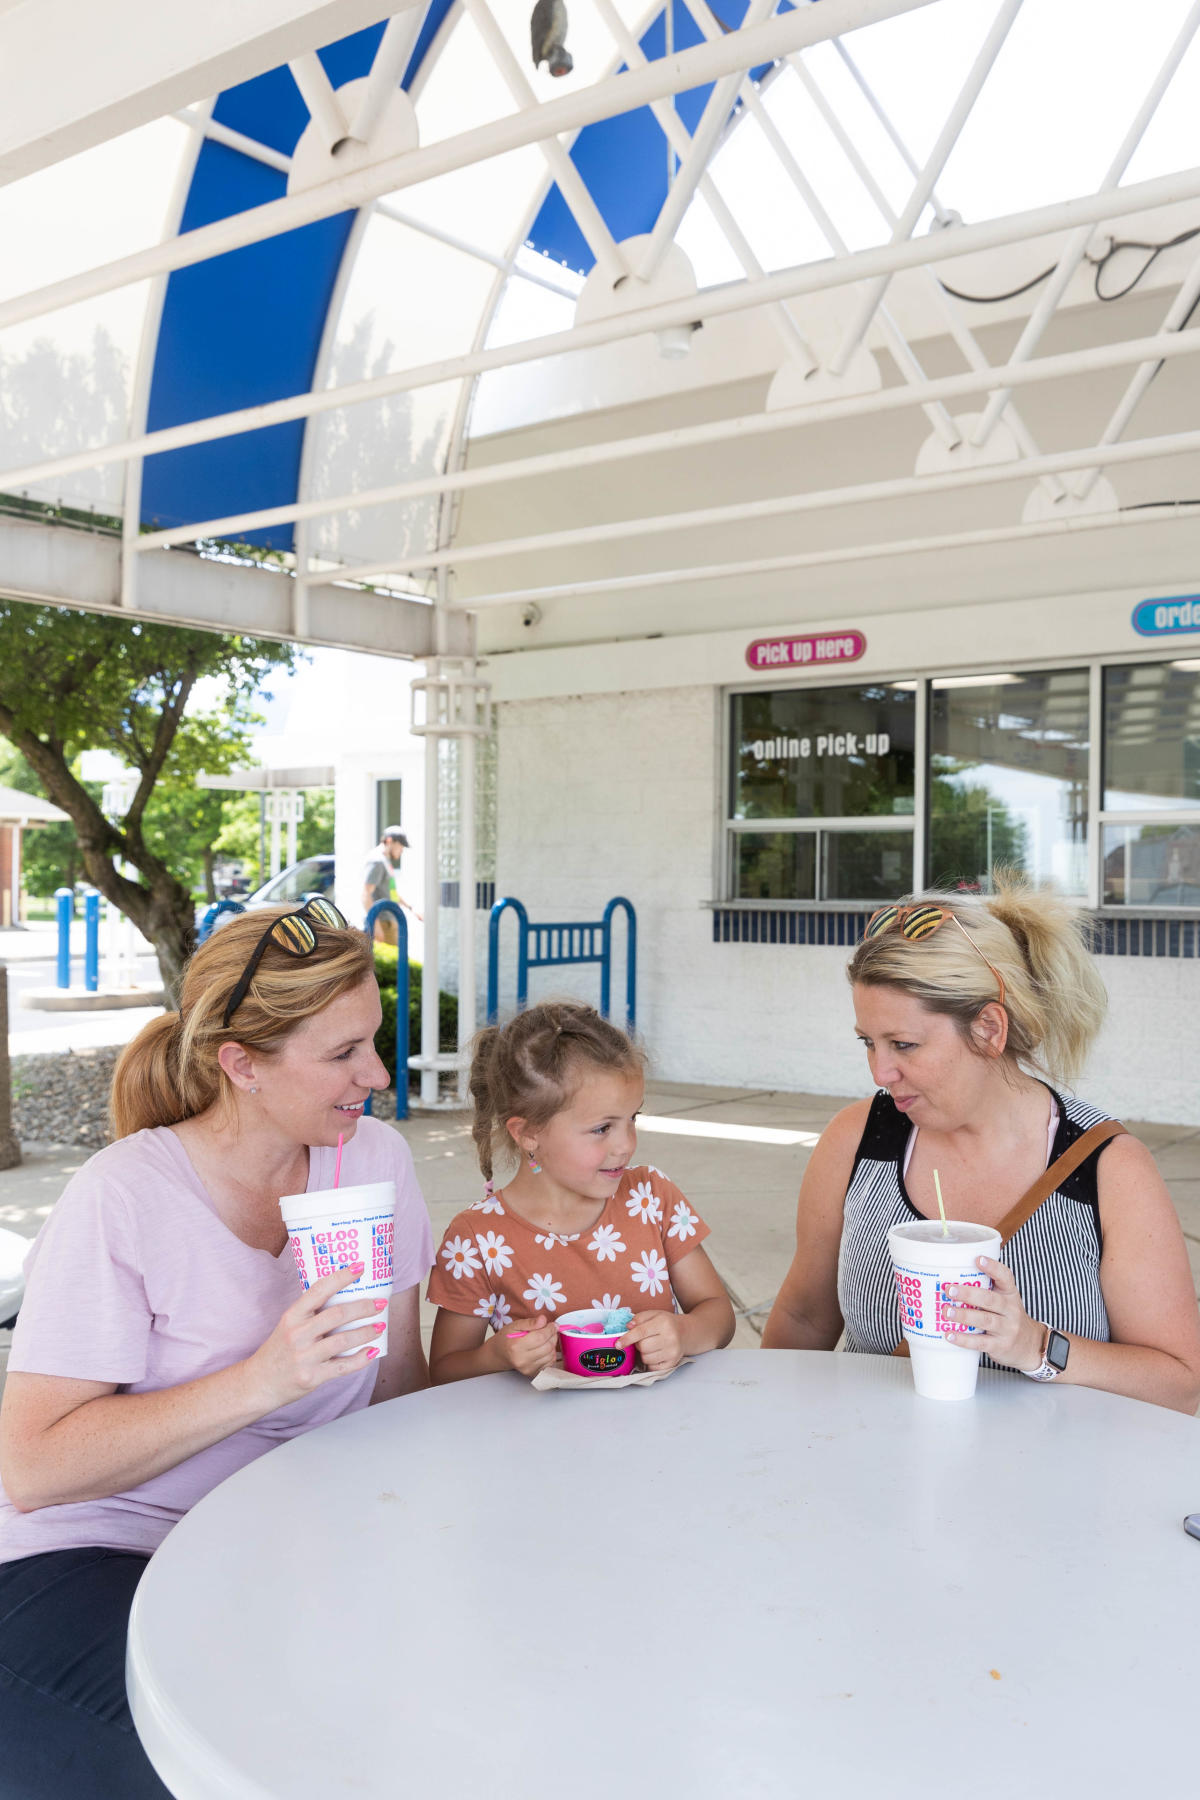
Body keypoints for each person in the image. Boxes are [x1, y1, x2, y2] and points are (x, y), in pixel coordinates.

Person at [0, 898, 433, 1799]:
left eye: (374, 1040)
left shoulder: (373, 1162)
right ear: (242, 1064)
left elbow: (397, 1381)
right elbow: (34, 1469)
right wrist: (261, 1381)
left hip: (282, 1539)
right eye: (344, 1053)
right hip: (98, 1551)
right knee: (247, 1763)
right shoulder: (124, 1196)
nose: (376, 1073)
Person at [763, 878, 1200, 1414]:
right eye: (868, 1043)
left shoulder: (1107, 1165)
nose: (880, 1072)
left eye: (904, 1044)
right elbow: (805, 1318)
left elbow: (1181, 1384)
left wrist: (1035, 1346)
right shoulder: (858, 1140)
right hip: (872, 1458)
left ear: (990, 1029)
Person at [428, 1002, 734, 1382]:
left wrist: (684, 1332)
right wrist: (496, 1355)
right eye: (602, 1128)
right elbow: (444, 1372)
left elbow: (718, 1314)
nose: (627, 1144)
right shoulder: (476, 1239)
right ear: (528, 1133)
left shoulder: (651, 1198)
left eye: (632, 1118)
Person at [362, 826, 419, 944]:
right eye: (400, 845)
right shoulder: (377, 861)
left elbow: (392, 892)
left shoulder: (385, 861)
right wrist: (375, 925)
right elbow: (366, 893)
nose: (402, 850)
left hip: (390, 921)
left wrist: (411, 908)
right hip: (382, 923)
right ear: (389, 841)